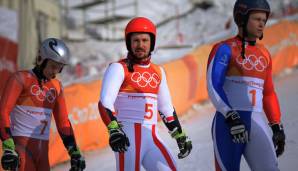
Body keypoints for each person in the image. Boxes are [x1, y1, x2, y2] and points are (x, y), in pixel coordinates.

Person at [98, 17, 192, 171]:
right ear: (129, 43)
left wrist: (180, 135)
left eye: (144, 40)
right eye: (135, 40)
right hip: (127, 139)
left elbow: (166, 108)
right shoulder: (118, 68)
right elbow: (105, 102)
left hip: (152, 136)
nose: (140, 45)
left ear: (152, 43)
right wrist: (114, 129)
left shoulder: (158, 71)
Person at [206, 0, 286, 170]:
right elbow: (214, 85)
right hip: (228, 123)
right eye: (257, 19)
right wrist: (230, 115)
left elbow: (269, 93)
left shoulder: (264, 53)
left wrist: (276, 125)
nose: (261, 24)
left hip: (257, 121)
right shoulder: (224, 48)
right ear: (241, 18)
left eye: (264, 20)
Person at [0, 38, 86, 171]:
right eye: (53, 66)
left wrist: (74, 152)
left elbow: (63, 122)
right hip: (22, 151)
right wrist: (8, 147)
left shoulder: (56, 87)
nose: (55, 71)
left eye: (59, 67)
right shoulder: (20, 79)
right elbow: (3, 112)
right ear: (41, 59)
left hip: (43, 156)